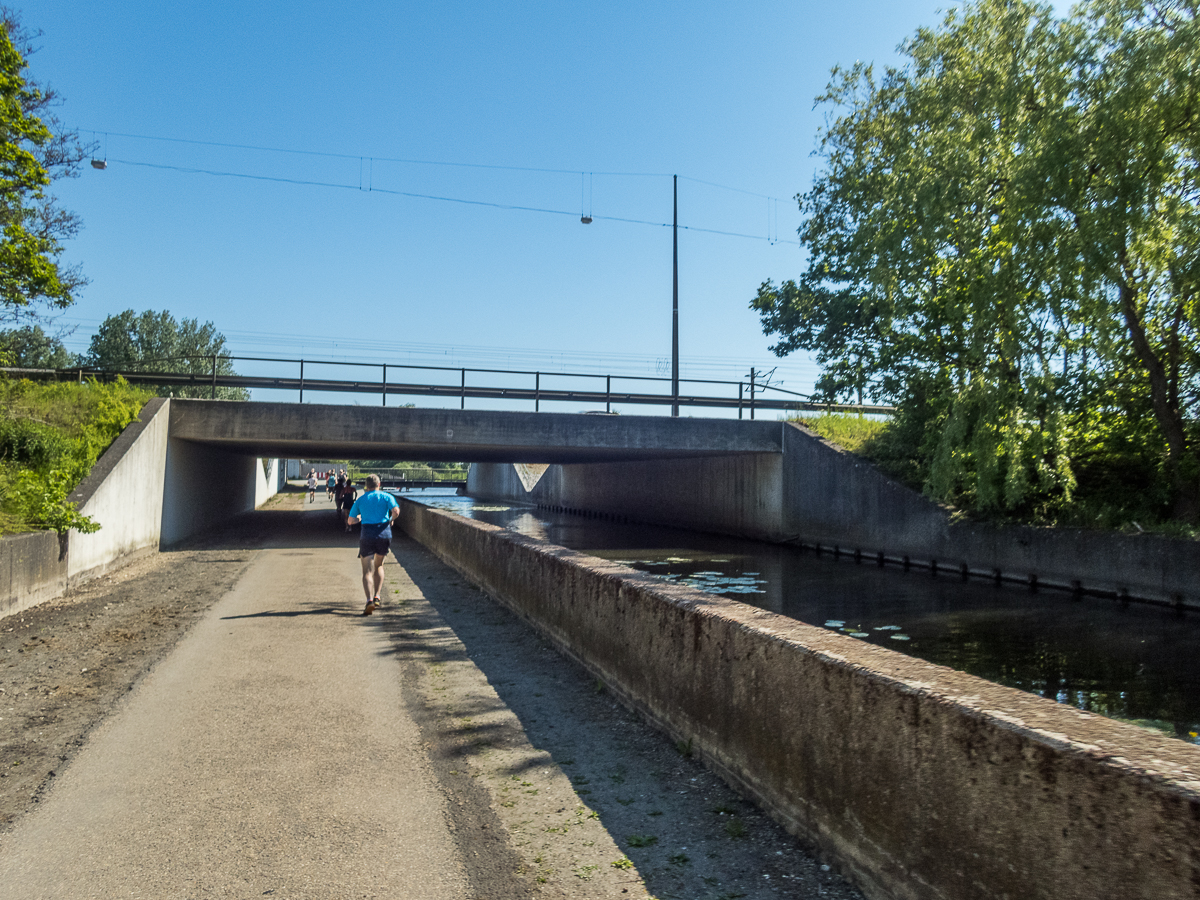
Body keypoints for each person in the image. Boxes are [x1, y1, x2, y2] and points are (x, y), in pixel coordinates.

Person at [346, 474, 399, 616]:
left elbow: (350, 521)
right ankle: (377, 596)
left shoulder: (361, 500)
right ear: (379, 484)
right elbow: (396, 511)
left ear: (366, 485)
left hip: (367, 535)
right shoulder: (387, 497)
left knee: (367, 571)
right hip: (384, 534)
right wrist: (391, 519)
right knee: (379, 565)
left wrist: (360, 518)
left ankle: (369, 600)